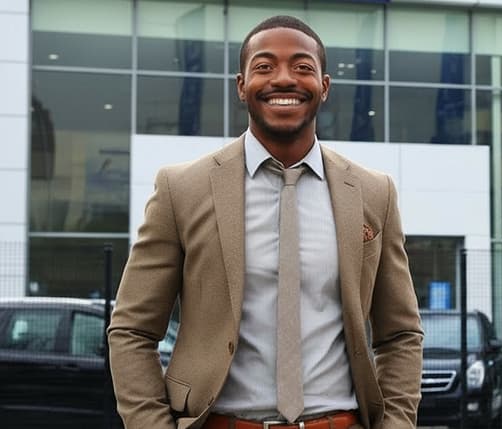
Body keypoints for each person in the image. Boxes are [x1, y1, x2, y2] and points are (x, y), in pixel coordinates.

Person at [108, 15, 423, 429]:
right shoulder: (180, 189)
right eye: (264, 66)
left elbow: (400, 334)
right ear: (241, 85)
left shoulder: (372, 192)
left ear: (324, 87)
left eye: (302, 67)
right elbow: (131, 330)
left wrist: (396, 423)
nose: (284, 78)